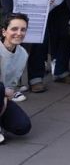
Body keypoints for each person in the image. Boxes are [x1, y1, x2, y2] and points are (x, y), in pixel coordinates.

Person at [0, 13, 31, 144]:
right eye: (14, 29)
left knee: (22, 126)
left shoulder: (22, 54)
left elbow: (11, 85)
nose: (19, 33)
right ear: (3, 31)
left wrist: (5, 97)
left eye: (23, 29)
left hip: (3, 96)